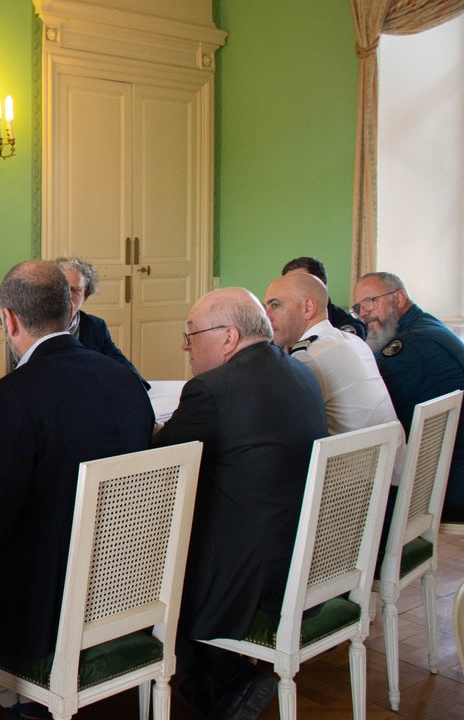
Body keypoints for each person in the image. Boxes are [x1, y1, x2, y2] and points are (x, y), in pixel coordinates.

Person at [0, 261, 153, 720]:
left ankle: (28, 703)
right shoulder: (126, 381)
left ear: (9, 319)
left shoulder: (13, 395)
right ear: (69, 310)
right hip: (130, 586)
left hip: (47, 611)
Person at [156, 288, 326, 720]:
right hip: (303, 556)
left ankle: (227, 681)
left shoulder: (211, 390)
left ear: (229, 337)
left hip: (247, 577)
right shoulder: (302, 373)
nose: (185, 344)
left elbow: (157, 462)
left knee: (152, 562)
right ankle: (219, 685)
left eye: (191, 334)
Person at [352, 271, 464, 510]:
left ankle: (383, 548)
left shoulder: (412, 347)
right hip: (461, 462)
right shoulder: (426, 325)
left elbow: (379, 410)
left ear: (398, 299)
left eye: (370, 301)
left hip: (459, 474)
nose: (363, 312)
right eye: (358, 306)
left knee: (354, 495)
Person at [264, 270, 400, 457]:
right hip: (386, 469)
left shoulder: (309, 356)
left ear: (307, 308)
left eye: (275, 305)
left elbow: (286, 428)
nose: (266, 316)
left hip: (353, 479)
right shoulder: (351, 341)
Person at [54, 257, 146, 385]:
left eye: (75, 290)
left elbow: (121, 364)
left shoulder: (95, 326)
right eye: (63, 288)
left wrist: (136, 385)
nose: (68, 295)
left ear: (85, 296)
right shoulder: (34, 323)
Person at [281, 256, 367, 339]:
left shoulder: (347, 327)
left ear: (321, 287)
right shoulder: (278, 324)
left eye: (298, 285)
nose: (290, 292)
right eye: (287, 286)